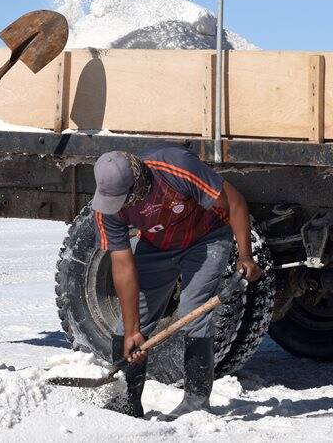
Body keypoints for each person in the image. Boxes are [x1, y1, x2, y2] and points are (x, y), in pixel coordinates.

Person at [91, 146, 262, 421]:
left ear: (138, 184)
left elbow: (235, 202)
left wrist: (245, 256)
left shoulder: (174, 168)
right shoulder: (106, 208)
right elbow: (123, 266)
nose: (119, 206)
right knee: (127, 327)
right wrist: (134, 330)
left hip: (207, 237)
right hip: (158, 245)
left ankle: (196, 402)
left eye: (125, 198)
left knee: (193, 311)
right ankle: (128, 402)